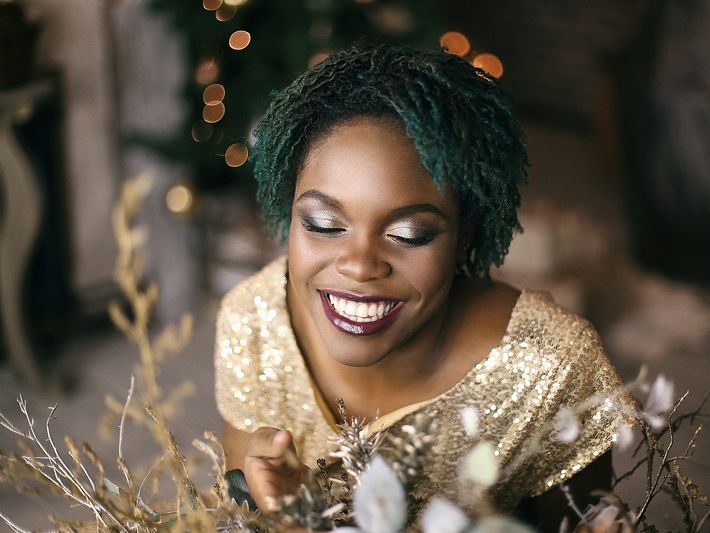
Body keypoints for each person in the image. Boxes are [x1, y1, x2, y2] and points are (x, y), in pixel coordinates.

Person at [215, 44, 634, 531]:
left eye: (409, 234)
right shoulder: (254, 321)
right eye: (324, 224)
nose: (359, 266)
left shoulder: (552, 370)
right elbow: (236, 516)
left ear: (465, 236)